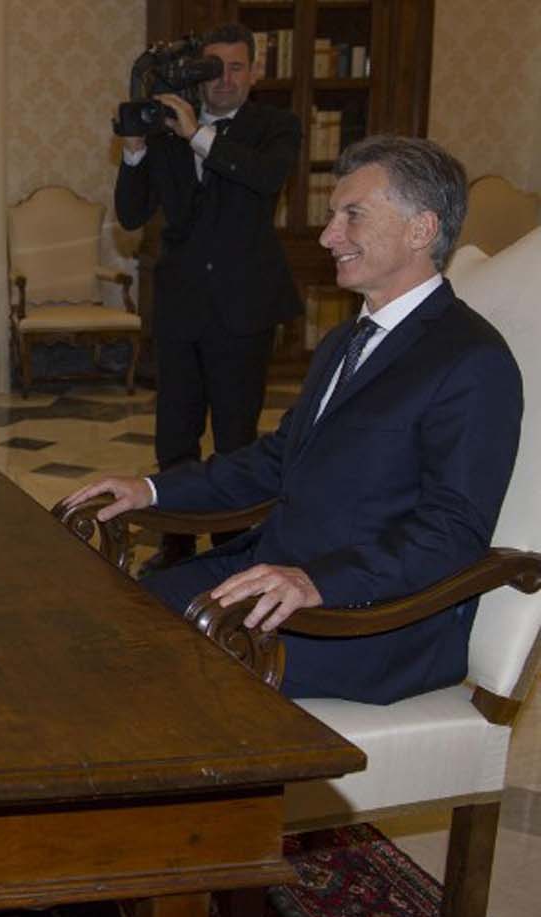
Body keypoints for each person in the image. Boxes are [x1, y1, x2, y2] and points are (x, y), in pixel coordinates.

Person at [61, 136, 523, 706]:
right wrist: (150, 488)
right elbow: (278, 460)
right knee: (100, 619)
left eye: (352, 216)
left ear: (421, 230)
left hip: (365, 622)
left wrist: (317, 583)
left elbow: (451, 532)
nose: (330, 236)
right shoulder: (343, 341)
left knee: (144, 670)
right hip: (275, 577)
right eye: (333, 217)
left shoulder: (472, 361)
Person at [115, 22, 303, 569]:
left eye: (236, 67)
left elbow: (265, 179)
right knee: (174, 436)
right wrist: (133, 152)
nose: (223, 78)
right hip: (180, 306)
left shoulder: (275, 126)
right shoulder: (167, 129)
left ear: (255, 72)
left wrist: (199, 133)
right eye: (212, 67)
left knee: (237, 438)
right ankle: (176, 546)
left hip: (243, 307)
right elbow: (131, 214)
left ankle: (232, 547)